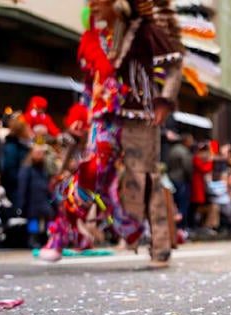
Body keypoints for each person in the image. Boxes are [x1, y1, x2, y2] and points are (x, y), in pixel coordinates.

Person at [39, 0, 184, 266]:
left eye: (98, 0)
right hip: (102, 120)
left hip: (139, 117)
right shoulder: (93, 39)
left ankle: (160, 246)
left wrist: (165, 100)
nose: (92, 5)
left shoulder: (145, 30)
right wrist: (80, 117)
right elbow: (89, 85)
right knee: (89, 172)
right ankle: (62, 233)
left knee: (145, 178)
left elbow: (174, 66)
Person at [167, 132, 194, 231]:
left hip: (172, 178)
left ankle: (175, 226)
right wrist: (190, 177)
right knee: (182, 204)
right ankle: (181, 227)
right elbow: (187, 167)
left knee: (175, 203)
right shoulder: (184, 151)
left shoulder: (173, 150)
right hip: (182, 180)